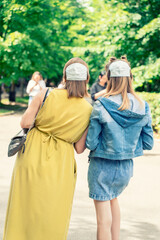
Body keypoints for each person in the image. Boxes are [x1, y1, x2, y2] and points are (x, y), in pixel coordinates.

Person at [3, 58, 92, 240]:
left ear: (65, 76)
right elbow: (80, 148)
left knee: (24, 205)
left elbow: (25, 122)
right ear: (86, 79)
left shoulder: (46, 93)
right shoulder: (88, 108)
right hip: (61, 163)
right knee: (53, 209)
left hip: (32, 154)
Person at [76, 56, 154, 240]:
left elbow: (91, 143)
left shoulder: (101, 105)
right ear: (129, 78)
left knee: (102, 220)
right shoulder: (143, 106)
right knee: (113, 199)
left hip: (102, 167)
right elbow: (148, 143)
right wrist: (127, 147)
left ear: (109, 79)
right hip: (125, 168)